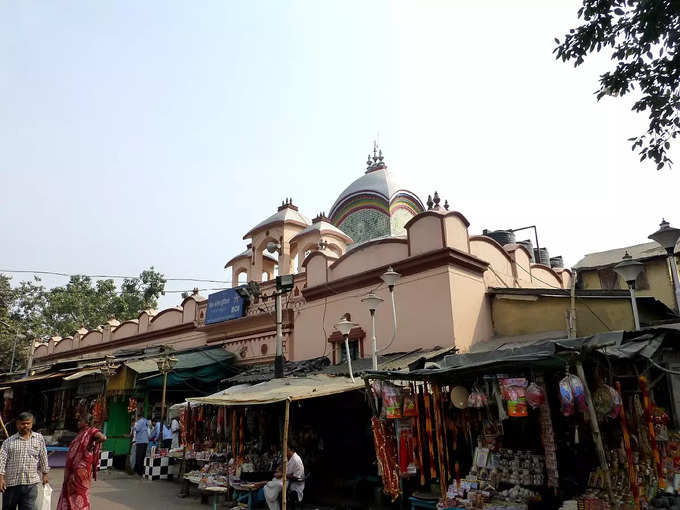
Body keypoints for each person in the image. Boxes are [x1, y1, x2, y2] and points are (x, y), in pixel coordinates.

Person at [56, 413, 106, 510]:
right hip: (72, 470)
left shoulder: (91, 431)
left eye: (80, 421)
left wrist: (92, 445)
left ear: (86, 422)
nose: (78, 422)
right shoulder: (81, 434)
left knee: (79, 494)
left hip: (81, 471)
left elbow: (102, 437)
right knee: (69, 493)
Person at [0, 411, 49, 510]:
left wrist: (45, 474)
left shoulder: (39, 439)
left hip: (31, 484)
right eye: (23, 424)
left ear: (32, 423)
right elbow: (2, 461)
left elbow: (43, 456)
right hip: (11, 485)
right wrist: (1, 478)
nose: (25, 426)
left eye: (28, 423)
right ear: (17, 424)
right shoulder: (8, 442)